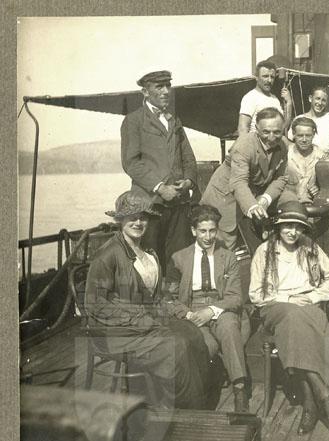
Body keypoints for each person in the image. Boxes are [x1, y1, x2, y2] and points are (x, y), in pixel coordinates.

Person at [84, 191, 210, 409]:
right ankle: (183, 409)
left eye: (143, 217)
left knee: (192, 333)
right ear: (120, 220)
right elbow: (95, 304)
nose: (138, 222)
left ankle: (191, 402)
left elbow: (157, 297)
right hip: (114, 330)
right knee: (175, 346)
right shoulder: (108, 254)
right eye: (132, 217)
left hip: (145, 321)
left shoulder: (147, 252)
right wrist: (139, 318)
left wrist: (183, 313)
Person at [249, 201, 329, 435]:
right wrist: (288, 299)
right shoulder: (264, 251)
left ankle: (310, 404)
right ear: (278, 226)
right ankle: (322, 392)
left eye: (298, 227)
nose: (293, 232)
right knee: (292, 316)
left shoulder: (310, 247)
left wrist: (313, 296)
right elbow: (256, 294)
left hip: (307, 305)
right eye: (288, 226)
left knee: (298, 325)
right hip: (275, 306)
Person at [165, 205, 250, 412]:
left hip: (221, 308)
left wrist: (211, 310)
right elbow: (169, 298)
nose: (208, 236)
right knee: (206, 345)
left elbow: (235, 297)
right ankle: (201, 398)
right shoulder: (178, 258)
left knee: (229, 329)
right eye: (203, 231)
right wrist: (188, 314)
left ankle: (240, 391)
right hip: (191, 309)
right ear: (193, 231)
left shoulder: (227, 257)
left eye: (212, 230)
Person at [120, 70, 198, 270]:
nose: (166, 91)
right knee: (149, 261)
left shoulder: (174, 120)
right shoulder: (133, 120)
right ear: (145, 92)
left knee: (179, 263)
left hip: (178, 204)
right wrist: (160, 187)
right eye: (159, 86)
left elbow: (188, 157)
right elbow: (131, 163)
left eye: (168, 86)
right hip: (149, 206)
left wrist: (188, 181)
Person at [200, 107, 289, 250]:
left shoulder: (284, 144)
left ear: (283, 128)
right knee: (222, 250)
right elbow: (238, 182)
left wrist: (265, 199)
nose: (272, 137)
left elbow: (281, 178)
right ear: (257, 129)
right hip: (226, 198)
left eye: (277, 132)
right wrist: (253, 206)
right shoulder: (243, 145)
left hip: (253, 196)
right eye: (266, 132)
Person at [238, 60, 292, 136]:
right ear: (256, 77)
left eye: (272, 77)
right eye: (265, 76)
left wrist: (289, 103)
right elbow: (243, 129)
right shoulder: (250, 98)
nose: (269, 80)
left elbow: (284, 128)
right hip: (256, 142)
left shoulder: (275, 99)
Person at [287, 86, 329, 153]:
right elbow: (290, 141)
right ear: (310, 98)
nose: (320, 103)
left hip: (328, 157)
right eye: (317, 98)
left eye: (323, 100)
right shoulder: (299, 119)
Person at [285, 116, 323, 204]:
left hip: (313, 204)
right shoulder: (286, 154)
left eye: (308, 135)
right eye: (300, 135)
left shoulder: (321, 156)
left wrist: (319, 189)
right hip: (289, 203)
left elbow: (327, 186)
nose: (304, 140)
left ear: (313, 135)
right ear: (294, 134)